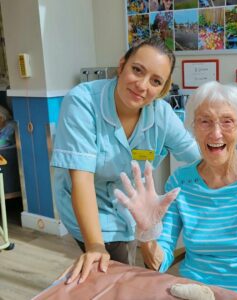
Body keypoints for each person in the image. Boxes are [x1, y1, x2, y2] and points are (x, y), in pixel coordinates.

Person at [115, 81, 237, 299]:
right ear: (193, 128)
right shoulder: (180, 181)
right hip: (195, 294)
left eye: (227, 122)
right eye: (205, 122)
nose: (216, 134)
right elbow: (159, 263)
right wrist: (147, 235)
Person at [51, 36, 200, 283]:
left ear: (163, 89)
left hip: (131, 210)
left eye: (155, 81)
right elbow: (82, 180)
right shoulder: (83, 101)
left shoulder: (161, 114)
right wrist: (96, 246)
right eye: (137, 70)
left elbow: (197, 157)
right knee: (111, 274)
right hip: (89, 206)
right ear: (121, 66)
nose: (142, 85)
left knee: (129, 269)